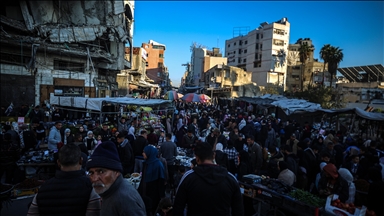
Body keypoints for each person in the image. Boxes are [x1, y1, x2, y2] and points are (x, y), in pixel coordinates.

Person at [27, 144, 101, 215]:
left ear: (58, 163)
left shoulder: (43, 188)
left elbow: (32, 213)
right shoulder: (90, 187)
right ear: (81, 161)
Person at [173, 142, 244, 216]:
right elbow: (238, 211)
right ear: (214, 156)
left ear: (197, 158)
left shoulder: (188, 178)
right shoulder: (230, 179)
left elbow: (178, 208)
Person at [86, 141, 147, 215]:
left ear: (116, 172)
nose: (94, 179)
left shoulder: (125, 199)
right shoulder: (109, 191)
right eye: (91, 173)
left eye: (101, 171)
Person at [139, 145, 166, 215]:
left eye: (144, 152)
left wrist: (162, 197)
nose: (143, 154)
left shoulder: (158, 165)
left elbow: (161, 182)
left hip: (154, 195)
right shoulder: (145, 163)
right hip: (144, 192)